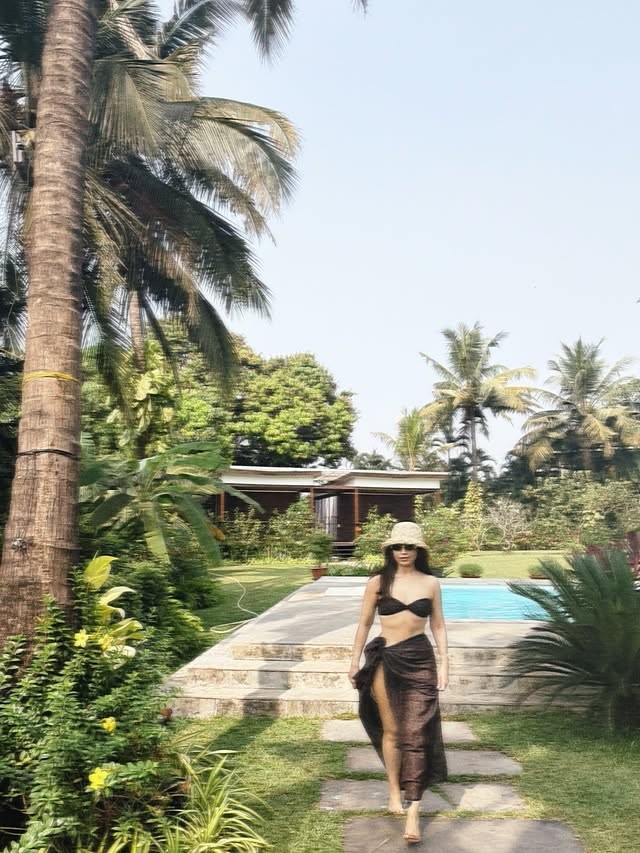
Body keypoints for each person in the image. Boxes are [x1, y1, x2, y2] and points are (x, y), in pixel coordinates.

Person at [348, 521, 449, 844]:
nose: (403, 552)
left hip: (420, 660)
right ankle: (394, 790)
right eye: (397, 547)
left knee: (416, 732)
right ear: (390, 550)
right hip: (386, 658)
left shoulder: (430, 583)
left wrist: (445, 663)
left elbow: (438, 625)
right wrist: (354, 661)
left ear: (419, 550)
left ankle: (414, 809)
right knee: (392, 730)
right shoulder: (378, 582)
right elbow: (364, 624)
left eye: (409, 547)